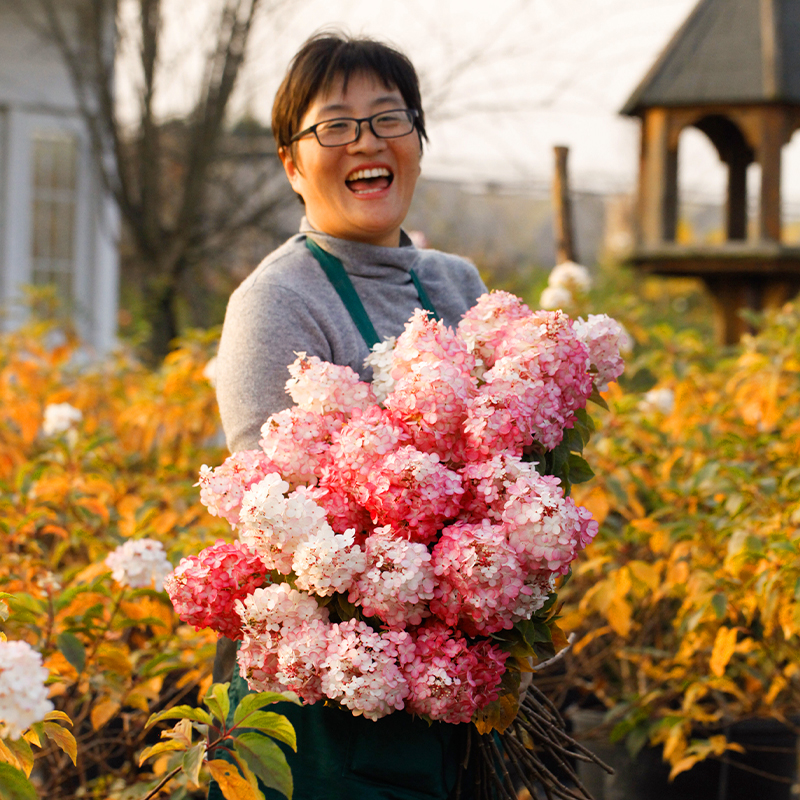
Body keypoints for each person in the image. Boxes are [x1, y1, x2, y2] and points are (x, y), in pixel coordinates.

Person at [210, 30, 487, 800]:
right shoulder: (277, 303)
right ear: (293, 164)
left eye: (389, 117)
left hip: (454, 688)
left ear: (418, 143)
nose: (367, 141)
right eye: (335, 124)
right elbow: (273, 526)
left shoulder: (459, 284)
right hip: (325, 709)